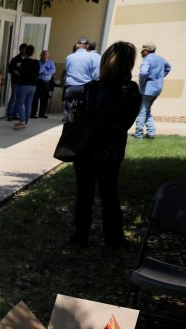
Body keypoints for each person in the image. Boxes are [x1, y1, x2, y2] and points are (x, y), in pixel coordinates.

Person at [69, 41, 142, 248]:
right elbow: (126, 121)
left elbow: (75, 117)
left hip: (85, 148)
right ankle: (113, 238)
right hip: (111, 150)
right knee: (109, 192)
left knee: (84, 193)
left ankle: (80, 234)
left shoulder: (91, 88)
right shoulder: (130, 91)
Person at [134, 43, 171, 140]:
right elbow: (168, 67)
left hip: (147, 90)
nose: (141, 52)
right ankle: (151, 133)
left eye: (142, 51)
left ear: (146, 51)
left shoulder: (147, 60)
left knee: (141, 112)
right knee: (147, 111)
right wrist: (160, 77)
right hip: (157, 89)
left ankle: (138, 134)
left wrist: (142, 82)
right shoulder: (161, 59)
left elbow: (143, 73)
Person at [64, 38, 99, 116]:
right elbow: (96, 75)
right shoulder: (92, 57)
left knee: (68, 110)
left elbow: (67, 71)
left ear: (77, 45)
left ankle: (68, 122)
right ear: (87, 46)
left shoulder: (69, 57)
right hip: (85, 87)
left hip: (71, 87)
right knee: (83, 111)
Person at [13, 45, 39, 130]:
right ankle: (25, 121)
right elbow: (37, 73)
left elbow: (19, 72)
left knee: (19, 103)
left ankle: (22, 121)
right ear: (33, 52)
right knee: (29, 103)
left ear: (25, 52)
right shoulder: (36, 62)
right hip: (33, 86)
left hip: (23, 85)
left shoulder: (23, 62)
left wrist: (17, 73)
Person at [31, 50, 55, 119]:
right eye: (43, 54)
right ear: (40, 55)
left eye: (46, 55)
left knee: (44, 98)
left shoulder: (50, 62)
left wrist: (46, 72)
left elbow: (53, 70)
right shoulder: (38, 63)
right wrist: (44, 64)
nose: (45, 56)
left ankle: (42, 113)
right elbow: (38, 71)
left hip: (46, 82)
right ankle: (33, 113)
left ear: (48, 56)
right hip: (38, 82)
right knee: (35, 98)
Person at [6, 43, 27, 121]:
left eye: (26, 50)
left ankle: (16, 114)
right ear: (20, 49)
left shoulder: (27, 60)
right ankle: (9, 114)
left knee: (20, 99)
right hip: (15, 81)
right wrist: (15, 72)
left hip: (23, 82)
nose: (24, 51)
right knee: (14, 97)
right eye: (23, 49)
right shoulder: (15, 59)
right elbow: (10, 69)